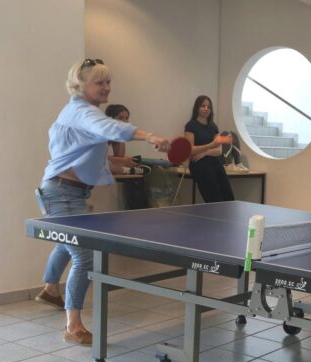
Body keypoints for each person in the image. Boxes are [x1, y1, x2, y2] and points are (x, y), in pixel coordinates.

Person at [35, 59, 169, 344]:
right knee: (84, 256)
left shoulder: (78, 113)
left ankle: (50, 290)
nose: (107, 87)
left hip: (67, 192)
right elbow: (110, 128)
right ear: (81, 85)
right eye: (100, 82)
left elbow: (85, 155)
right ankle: (73, 326)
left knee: (65, 245)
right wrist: (149, 135)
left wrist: (121, 162)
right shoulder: (82, 112)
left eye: (109, 82)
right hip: (61, 194)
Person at [185, 95, 235, 203]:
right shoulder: (191, 126)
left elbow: (219, 150)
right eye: (203, 106)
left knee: (228, 196)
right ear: (197, 107)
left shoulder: (213, 126)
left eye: (208, 107)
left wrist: (204, 152)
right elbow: (190, 150)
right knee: (215, 198)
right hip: (199, 165)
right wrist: (210, 146)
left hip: (215, 163)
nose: (206, 109)